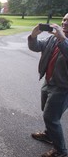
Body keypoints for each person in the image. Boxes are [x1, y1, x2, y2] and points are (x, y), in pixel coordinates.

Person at [28, 13, 68, 157]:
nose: (64, 22)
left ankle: (61, 151)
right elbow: (37, 47)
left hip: (63, 87)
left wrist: (62, 38)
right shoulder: (52, 38)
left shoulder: (60, 38)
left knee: (51, 117)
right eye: (64, 19)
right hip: (48, 81)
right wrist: (33, 36)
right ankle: (49, 135)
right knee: (46, 110)